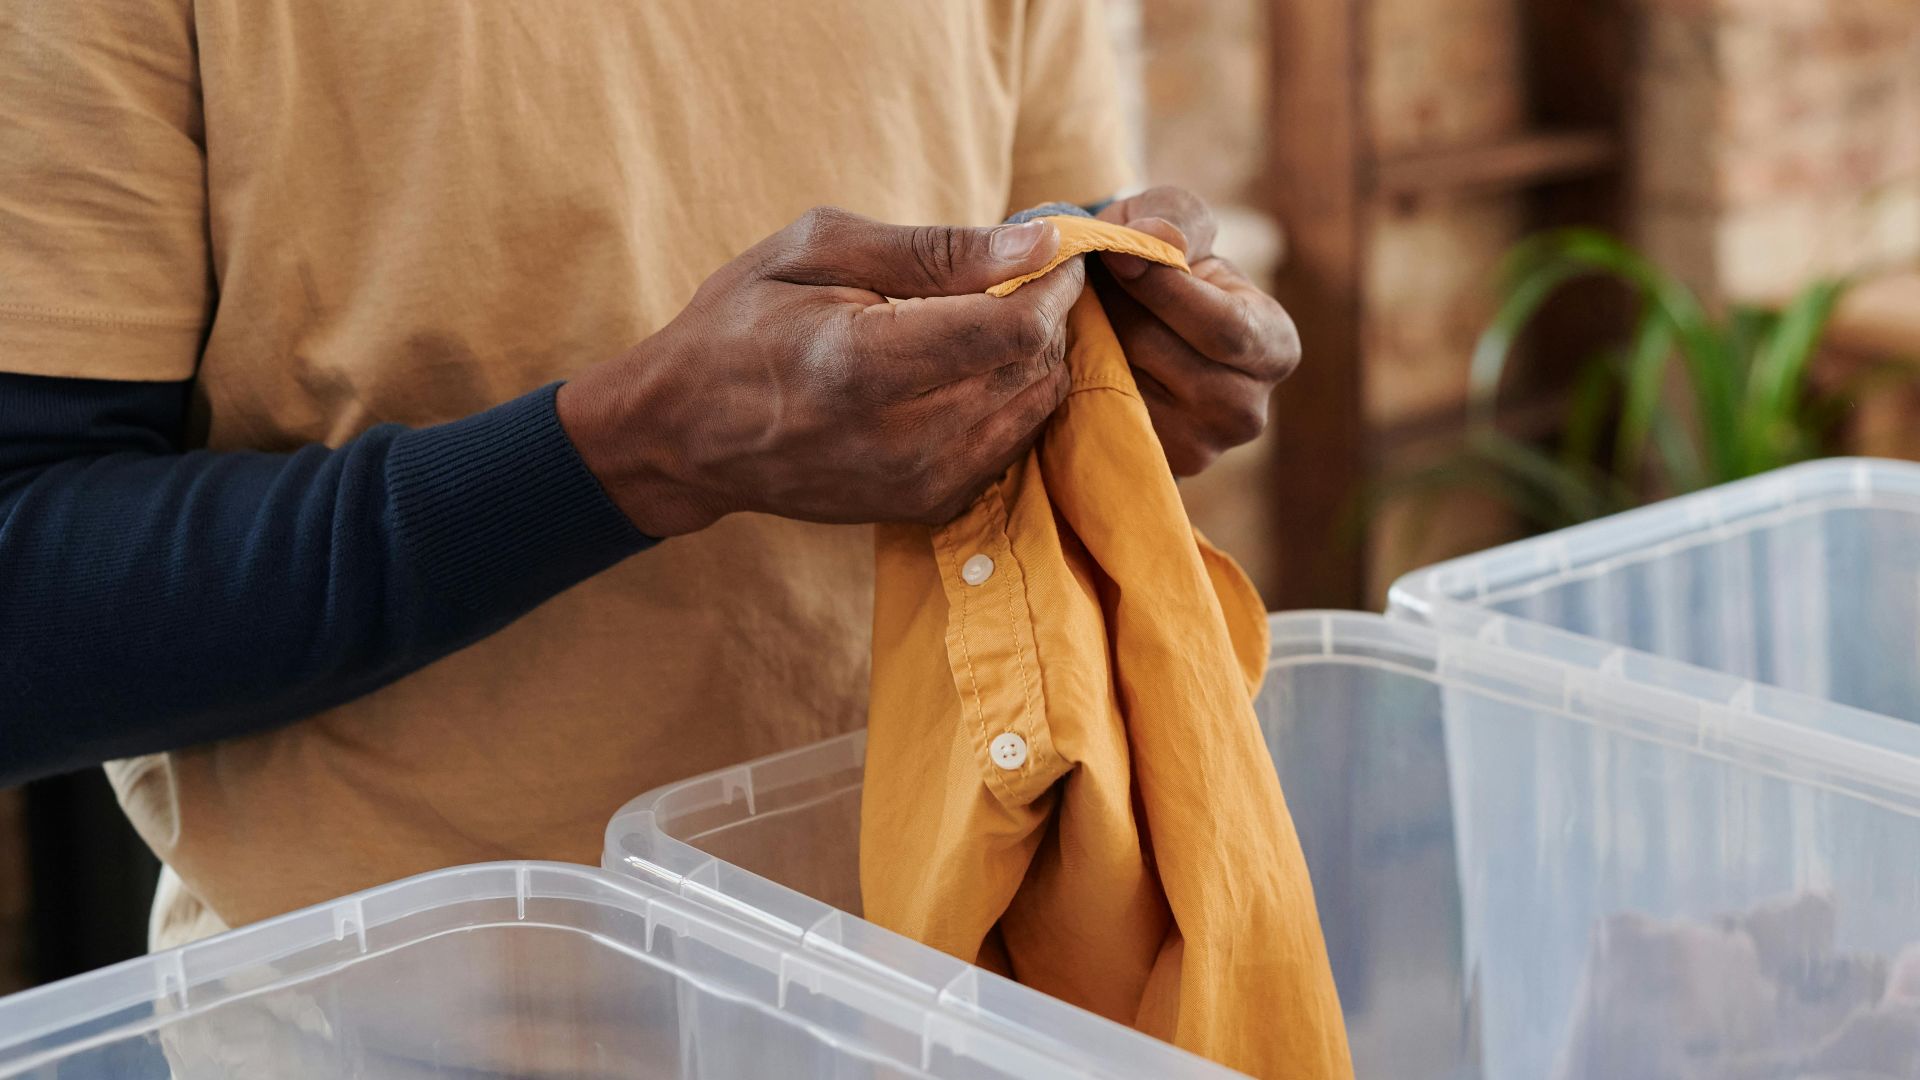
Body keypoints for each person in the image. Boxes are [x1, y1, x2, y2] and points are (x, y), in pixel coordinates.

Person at [0, 0, 1302, 949]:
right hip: (401, 1019)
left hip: (937, 974)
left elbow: (1035, 317)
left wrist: (1115, 385)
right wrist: (631, 454)